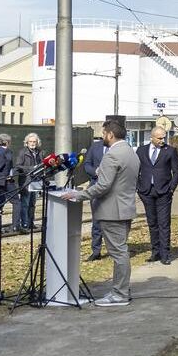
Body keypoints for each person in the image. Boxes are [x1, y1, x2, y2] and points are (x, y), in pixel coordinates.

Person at [68, 119, 139, 306]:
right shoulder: (130, 153)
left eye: (103, 134)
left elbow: (103, 186)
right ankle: (121, 290)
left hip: (112, 211)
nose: (102, 137)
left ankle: (120, 294)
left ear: (110, 134)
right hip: (125, 208)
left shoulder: (112, 155)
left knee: (118, 253)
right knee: (121, 251)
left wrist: (78, 195)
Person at [135, 126, 178, 264]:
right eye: (159, 138)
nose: (162, 140)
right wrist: (138, 187)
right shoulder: (141, 150)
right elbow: (135, 170)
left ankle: (165, 254)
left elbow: (176, 172)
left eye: (164, 137)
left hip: (164, 192)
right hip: (146, 191)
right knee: (152, 223)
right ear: (152, 137)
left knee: (164, 223)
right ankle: (155, 252)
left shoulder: (170, 151)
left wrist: (171, 189)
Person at [81, 131, 108, 261]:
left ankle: (114, 249)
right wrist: (94, 171)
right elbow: (87, 164)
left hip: (112, 188)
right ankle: (96, 251)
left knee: (111, 221)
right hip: (96, 185)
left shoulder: (118, 148)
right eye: (103, 132)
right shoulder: (95, 146)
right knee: (96, 220)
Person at [12, 133, 42, 233]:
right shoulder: (22, 152)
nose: (32, 143)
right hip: (26, 181)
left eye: (34, 142)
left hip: (36, 180)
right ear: (27, 143)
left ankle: (30, 223)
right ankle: (24, 224)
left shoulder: (39, 152)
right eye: (30, 142)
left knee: (33, 203)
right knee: (25, 203)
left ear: (37, 142)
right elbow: (18, 166)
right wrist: (31, 168)